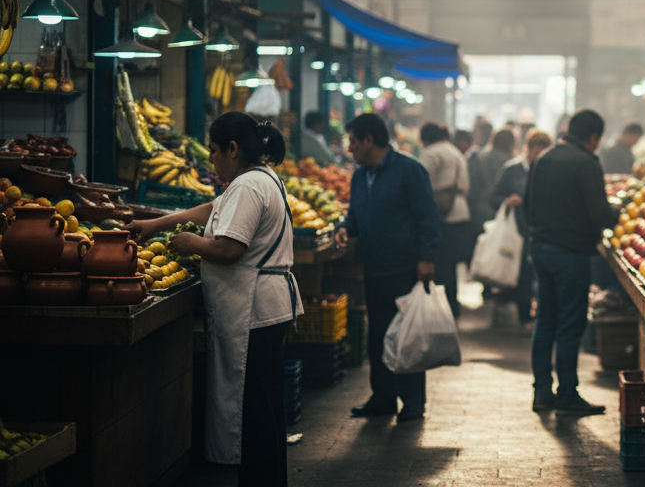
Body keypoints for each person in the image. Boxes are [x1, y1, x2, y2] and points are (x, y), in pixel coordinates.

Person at [128, 113, 300, 486]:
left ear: (233, 149)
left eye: (215, 152)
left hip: (254, 312)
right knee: (264, 411)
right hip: (267, 311)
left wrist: (191, 243)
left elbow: (228, 248)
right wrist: (155, 224)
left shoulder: (248, 185)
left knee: (254, 414)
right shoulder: (261, 178)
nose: (211, 160)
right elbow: (213, 209)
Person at [333, 114, 440, 423]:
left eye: (353, 141)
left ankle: (413, 401)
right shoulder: (359, 175)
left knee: (407, 337)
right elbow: (355, 215)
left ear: (369, 140)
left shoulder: (409, 170)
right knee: (378, 336)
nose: (350, 148)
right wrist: (345, 228)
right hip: (374, 266)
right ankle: (383, 398)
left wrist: (426, 257)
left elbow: (427, 217)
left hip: (404, 268)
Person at [525, 110, 616, 415]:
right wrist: (619, 213)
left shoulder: (545, 157)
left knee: (545, 321)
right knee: (569, 324)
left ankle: (541, 392)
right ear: (593, 137)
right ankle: (566, 393)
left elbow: (528, 204)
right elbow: (599, 214)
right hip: (570, 253)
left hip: (541, 249)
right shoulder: (586, 163)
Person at [489, 129, 553, 327]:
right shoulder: (512, 169)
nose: (538, 156)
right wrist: (508, 201)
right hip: (517, 230)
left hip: (543, 229)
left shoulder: (550, 171)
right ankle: (525, 316)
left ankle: (541, 314)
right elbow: (494, 197)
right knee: (523, 273)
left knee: (541, 273)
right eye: (536, 151)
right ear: (528, 148)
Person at [419, 122, 472, 319]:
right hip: (460, 213)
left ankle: (442, 309)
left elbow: (421, 182)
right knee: (450, 265)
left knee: (441, 266)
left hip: (442, 214)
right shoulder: (455, 152)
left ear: (425, 139)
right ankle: (452, 306)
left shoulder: (431, 153)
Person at [468, 128, 515, 240]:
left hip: (478, 211)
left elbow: (472, 186)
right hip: (501, 212)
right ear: (511, 143)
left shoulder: (477, 157)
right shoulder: (512, 162)